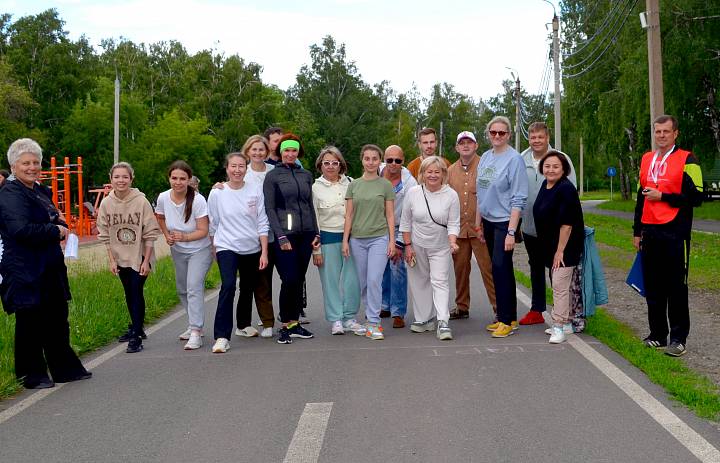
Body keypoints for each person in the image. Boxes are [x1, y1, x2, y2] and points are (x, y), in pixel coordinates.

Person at [0, 138, 91, 389]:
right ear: (14, 165)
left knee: (57, 318)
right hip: (23, 268)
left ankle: (64, 368)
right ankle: (31, 374)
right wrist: (55, 231)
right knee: (30, 322)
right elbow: (20, 229)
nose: (32, 167)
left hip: (49, 265)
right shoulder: (9, 194)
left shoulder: (39, 190)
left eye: (36, 163)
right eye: (26, 163)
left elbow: (54, 217)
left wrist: (58, 225)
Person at [633, 115, 703, 357]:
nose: (661, 135)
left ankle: (679, 338)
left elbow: (696, 198)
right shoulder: (646, 159)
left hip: (676, 232)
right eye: (657, 131)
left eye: (666, 131)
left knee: (676, 288)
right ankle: (657, 335)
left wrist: (663, 197)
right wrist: (636, 231)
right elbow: (641, 197)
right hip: (650, 231)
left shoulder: (688, 159)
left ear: (675, 133)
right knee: (653, 287)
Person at [208, 152, 269, 353]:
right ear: (226, 168)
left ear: (246, 168)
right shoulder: (218, 192)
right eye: (233, 166)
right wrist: (214, 247)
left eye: (241, 166)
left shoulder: (255, 190)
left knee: (248, 287)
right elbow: (214, 223)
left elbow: (262, 221)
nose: (237, 170)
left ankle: (243, 325)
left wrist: (264, 252)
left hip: (252, 247)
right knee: (228, 286)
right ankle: (222, 336)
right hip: (227, 246)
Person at [97, 162, 161, 353]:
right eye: (117, 177)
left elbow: (150, 232)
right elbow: (105, 233)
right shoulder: (106, 203)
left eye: (125, 177)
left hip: (140, 255)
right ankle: (137, 327)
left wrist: (146, 260)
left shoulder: (141, 201)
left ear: (131, 179)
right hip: (120, 256)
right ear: (111, 179)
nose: (121, 180)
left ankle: (135, 337)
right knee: (129, 292)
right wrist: (111, 260)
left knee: (135, 291)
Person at [518, 122, 577, 326]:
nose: (536, 141)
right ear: (529, 139)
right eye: (533, 137)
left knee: (557, 271)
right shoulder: (521, 159)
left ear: (547, 137)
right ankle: (537, 309)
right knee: (535, 267)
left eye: (540, 137)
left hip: (555, 230)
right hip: (529, 226)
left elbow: (571, 193)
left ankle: (562, 314)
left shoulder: (560, 159)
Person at [475, 116, 528, 338]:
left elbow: (519, 197)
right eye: (493, 132)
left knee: (502, 268)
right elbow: (481, 191)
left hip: (504, 221)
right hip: (487, 220)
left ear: (508, 134)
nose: (497, 136)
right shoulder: (486, 157)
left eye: (502, 133)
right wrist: (478, 222)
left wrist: (511, 232)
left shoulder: (514, 159)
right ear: (488, 134)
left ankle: (506, 320)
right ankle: (509, 317)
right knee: (496, 270)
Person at [264, 133, 317, 344]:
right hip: (285, 236)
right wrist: (281, 235)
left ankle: (295, 323)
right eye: (286, 150)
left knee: (299, 280)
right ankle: (285, 324)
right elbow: (270, 207)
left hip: (306, 235)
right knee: (289, 279)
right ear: (280, 152)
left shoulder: (305, 175)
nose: (290, 154)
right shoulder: (273, 176)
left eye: (294, 150)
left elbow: (309, 205)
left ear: (298, 152)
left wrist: (315, 233)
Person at [400, 156, 460, 340]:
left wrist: (452, 241)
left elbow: (453, 223)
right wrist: (408, 246)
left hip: (441, 246)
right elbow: (405, 222)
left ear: (444, 174)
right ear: (422, 174)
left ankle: (443, 321)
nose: (433, 175)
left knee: (439, 281)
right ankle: (424, 319)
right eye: (429, 172)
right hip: (417, 245)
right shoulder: (413, 193)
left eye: (437, 172)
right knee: (419, 281)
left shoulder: (451, 195)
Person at [156, 160, 213, 350]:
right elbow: (160, 217)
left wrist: (185, 236)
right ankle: (192, 323)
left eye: (182, 179)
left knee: (193, 287)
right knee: (182, 288)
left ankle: (196, 331)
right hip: (178, 250)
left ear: (189, 180)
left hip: (199, 249)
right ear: (169, 178)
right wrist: (167, 236)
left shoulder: (198, 200)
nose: (178, 182)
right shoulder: (163, 197)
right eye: (174, 178)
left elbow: (203, 230)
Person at [343, 144, 396, 340]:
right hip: (357, 240)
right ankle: (368, 316)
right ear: (362, 160)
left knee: (375, 280)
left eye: (375, 158)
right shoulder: (353, 185)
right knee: (363, 282)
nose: (371, 162)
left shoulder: (385, 185)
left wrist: (391, 241)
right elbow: (348, 215)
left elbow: (390, 215)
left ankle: (374, 322)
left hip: (379, 238)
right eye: (367, 158)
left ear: (379, 161)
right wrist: (345, 241)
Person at [533, 151, 584, 344]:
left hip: (565, 246)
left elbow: (567, 224)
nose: (551, 169)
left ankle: (559, 327)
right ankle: (569, 322)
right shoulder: (545, 185)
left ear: (564, 169)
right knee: (560, 284)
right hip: (550, 245)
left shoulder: (566, 189)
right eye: (547, 166)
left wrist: (560, 251)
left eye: (555, 166)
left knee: (560, 286)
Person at [311, 146, 363, 335]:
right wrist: (316, 250)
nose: (331, 166)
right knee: (330, 281)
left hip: (351, 239)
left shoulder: (351, 183)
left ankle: (349, 317)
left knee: (352, 281)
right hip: (327, 239)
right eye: (327, 163)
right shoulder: (315, 188)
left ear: (341, 164)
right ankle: (336, 319)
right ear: (320, 165)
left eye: (335, 163)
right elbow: (314, 220)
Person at [447, 131, 497, 320]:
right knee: (460, 270)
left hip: (481, 230)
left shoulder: (486, 166)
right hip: (459, 229)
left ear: (476, 145)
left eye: (470, 142)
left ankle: (498, 307)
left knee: (488, 269)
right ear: (457, 147)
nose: (466, 145)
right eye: (462, 143)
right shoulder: (450, 171)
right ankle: (461, 306)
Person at [241, 135, 276, 338]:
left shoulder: (273, 172)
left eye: (261, 150)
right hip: (252, 234)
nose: (257, 153)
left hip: (275, 232)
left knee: (284, 278)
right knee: (260, 281)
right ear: (248, 151)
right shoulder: (241, 172)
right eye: (254, 150)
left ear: (267, 152)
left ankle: (289, 317)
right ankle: (266, 321)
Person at [379, 145, 417, 329]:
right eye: (389, 160)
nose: (393, 164)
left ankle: (398, 311)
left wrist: (406, 240)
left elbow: (413, 210)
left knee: (396, 264)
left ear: (403, 161)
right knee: (381, 266)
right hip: (378, 227)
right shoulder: (376, 173)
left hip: (401, 227)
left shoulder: (410, 182)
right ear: (384, 160)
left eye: (398, 160)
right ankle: (384, 304)